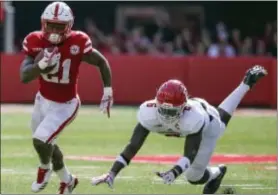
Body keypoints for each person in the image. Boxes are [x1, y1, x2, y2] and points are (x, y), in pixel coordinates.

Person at [91, 65, 267, 194]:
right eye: (164, 109)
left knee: (193, 175)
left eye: (172, 111)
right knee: (195, 168)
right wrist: (112, 172)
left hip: (207, 119)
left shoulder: (193, 118)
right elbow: (132, 146)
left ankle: (217, 172)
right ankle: (217, 172)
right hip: (193, 110)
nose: (167, 115)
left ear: (182, 107)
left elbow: (190, 153)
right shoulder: (148, 112)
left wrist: (175, 172)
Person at [20, 1, 113, 194]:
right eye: (50, 25)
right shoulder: (35, 40)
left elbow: (101, 62)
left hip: (65, 105)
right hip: (42, 101)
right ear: (43, 23)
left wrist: (108, 91)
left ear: (69, 26)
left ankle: (44, 169)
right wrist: (41, 66)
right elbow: (24, 77)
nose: (53, 30)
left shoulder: (77, 42)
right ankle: (68, 180)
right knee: (48, 143)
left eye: (59, 26)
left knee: (41, 140)